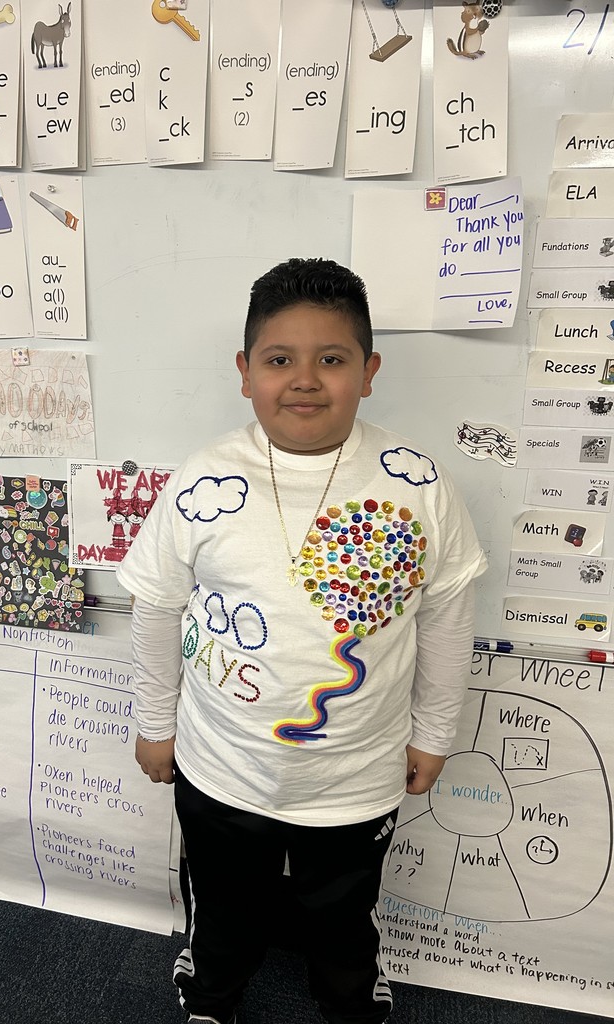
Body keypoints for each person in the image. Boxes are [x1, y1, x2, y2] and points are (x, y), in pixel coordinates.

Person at [116, 258, 487, 1024]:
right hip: (220, 763)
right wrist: (157, 727)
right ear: (246, 372)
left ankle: (349, 998)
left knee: (344, 911)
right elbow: (155, 607)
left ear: (369, 371)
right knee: (221, 902)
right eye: (280, 360)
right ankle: (213, 991)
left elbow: (448, 614)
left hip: (357, 771)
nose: (305, 381)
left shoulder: (416, 484)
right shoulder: (203, 480)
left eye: (332, 360)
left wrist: (435, 734)